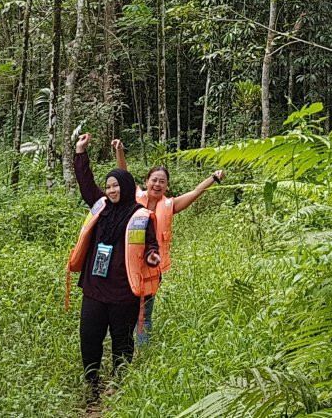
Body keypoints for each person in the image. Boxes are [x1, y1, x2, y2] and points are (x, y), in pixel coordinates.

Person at [73, 134, 224, 344]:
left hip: (151, 265)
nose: (157, 184)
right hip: (126, 263)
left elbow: (196, 191)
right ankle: (121, 340)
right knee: (123, 307)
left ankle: (141, 350)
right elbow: (122, 174)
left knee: (145, 311)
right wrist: (119, 150)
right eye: (154, 180)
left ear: (167, 186)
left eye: (162, 181)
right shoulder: (134, 197)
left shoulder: (170, 205)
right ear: (146, 182)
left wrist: (213, 178)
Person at [66, 144, 160, 396]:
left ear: (126, 187)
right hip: (94, 288)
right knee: (89, 336)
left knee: (122, 340)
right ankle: (92, 382)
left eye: (115, 185)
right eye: (108, 186)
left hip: (123, 290)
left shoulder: (141, 214)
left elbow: (152, 244)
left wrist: (152, 256)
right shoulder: (101, 207)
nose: (111, 190)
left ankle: (118, 382)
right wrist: (80, 153)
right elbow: (86, 185)